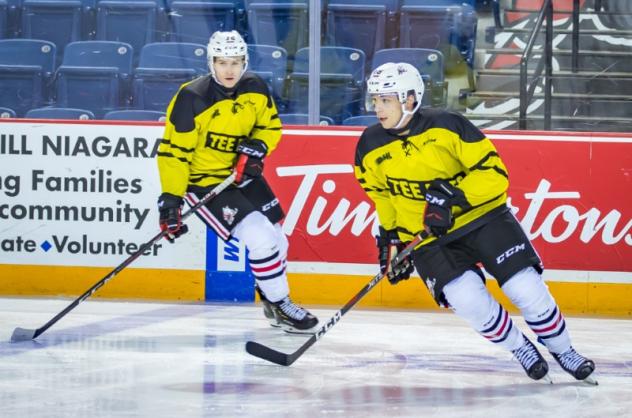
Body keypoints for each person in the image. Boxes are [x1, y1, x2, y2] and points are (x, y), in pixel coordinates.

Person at [353, 62, 596, 383]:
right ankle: (519, 346)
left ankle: (563, 349)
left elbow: (495, 175)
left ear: (410, 99)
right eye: (375, 100)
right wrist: (391, 238)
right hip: (428, 239)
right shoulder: (369, 145)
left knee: (525, 288)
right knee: (466, 300)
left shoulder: (448, 125)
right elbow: (383, 197)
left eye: (386, 100)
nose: (377, 108)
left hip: (483, 219)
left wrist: (452, 199)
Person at [155, 30, 318, 334]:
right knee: (260, 238)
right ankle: (281, 303)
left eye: (235, 62)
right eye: (222, 62)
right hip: (204, 183)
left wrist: (259, 147)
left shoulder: (256, 87)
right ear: (211, 63)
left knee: (278, 239)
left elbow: (270, 127)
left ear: (245, 62)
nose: (229, 70)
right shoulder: (191, 97)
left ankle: (271, 300)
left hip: (242, 176)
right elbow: (174, 153)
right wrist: (172, 199)